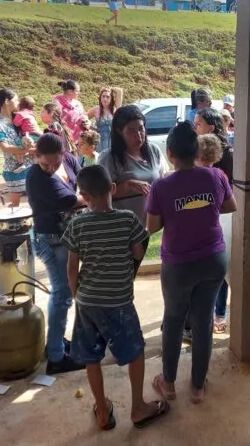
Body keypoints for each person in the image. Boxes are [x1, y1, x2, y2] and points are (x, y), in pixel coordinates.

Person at [65, 165, 170, 430]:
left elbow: (71, 269)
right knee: (135, 351)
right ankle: (137, 408)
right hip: (119, 301)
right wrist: (126, 274)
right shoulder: (127, 219)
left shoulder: (77, 224)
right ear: (113, 189)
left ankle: (102, 411)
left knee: (92, 356)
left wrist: (78, 295)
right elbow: (138, 251)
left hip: (88, 301)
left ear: (84, 196)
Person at [147, 122, 237, 404]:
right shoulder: (216, 176)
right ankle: (197, 386)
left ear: (170, 153)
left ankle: (169, 383)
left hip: (179, 264)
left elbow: (151, 227)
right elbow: (229, 206)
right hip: (213, 259)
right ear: (196, 149)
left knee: (174, 320)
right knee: (203, 320)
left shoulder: (161, 186)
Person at [25, 133, 86, 375]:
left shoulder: (69, 161)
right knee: (62, 295)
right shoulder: (37, 178)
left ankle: (57, 342)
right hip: (50, 240)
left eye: (55, 162)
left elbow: (81, 177)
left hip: (64, 237)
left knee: (64, 293)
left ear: (64, 154)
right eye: (44, 163)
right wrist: (94, 196)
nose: (50, 168)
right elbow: (73, 200)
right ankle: (56, 358)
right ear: (36, 157)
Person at [193, 108, 233, 333]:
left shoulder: (225, 154)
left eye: (199, 123)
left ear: (211, 126)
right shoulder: (196, 152)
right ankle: (207, 315)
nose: (195, 127)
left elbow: (231, 201)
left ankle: (217, 313)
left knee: (219, 269)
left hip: (220, 219)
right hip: (208, 219)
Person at [99, 105, 167, 226]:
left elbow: (162, 179)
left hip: (150, 225)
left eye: (141, 128)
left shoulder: (153, 151)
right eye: (131, 130)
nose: (138, 135)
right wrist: (128, 185)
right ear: (119, 131)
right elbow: (100, 197)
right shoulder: (108, 158)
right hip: (122, 228)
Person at [0, 89, 34, 207]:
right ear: (6, 101)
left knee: (35, 200)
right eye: (15, 100)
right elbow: (5, 147)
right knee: (15, 205)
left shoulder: (18, 118)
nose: (18, 103)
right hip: (14, 168)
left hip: (30, 165)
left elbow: (31, 133)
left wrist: (29, 140)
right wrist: (25, 150)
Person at [55, 80, 90, 144]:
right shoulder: (57, 102)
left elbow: (84, 115)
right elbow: (54, 119)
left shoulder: (78, 103)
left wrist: (87, 121)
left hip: (79, 139)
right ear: (70, 91)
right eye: (77, 91)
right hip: (63, 138)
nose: (79, 93)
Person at [87, 87, 116, 154]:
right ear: (100, 98)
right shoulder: (96, 109)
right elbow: (84, 118)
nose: (105, 99)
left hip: (111, 141)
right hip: (99, 141)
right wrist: (90, 126)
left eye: (108, 97)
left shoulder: (114, 110)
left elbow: (120, 91)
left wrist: (111, 89)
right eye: (103, 96)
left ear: (111, 99)